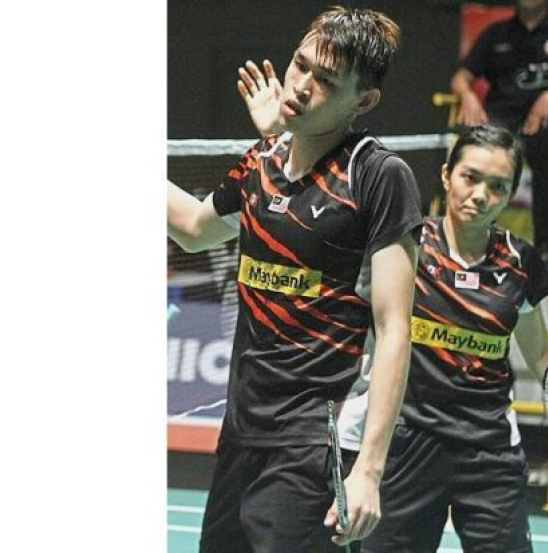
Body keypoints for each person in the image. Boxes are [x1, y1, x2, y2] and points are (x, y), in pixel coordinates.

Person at [237, 67, 548, 552]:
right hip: (406, 444)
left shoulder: (519, 262)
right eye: (470, 178)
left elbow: (544, 361)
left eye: (497, 186)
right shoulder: (406, 244)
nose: (480, 195)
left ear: (510, 194)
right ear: (446, 176)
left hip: (487, 451)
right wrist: (279, 133)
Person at [167, 7, 423, 552]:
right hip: (242, 432)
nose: (302, 85)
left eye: (326, 80)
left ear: (364, 101)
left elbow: (395, 329)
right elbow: (193, 228)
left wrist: (369, 469)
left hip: (315, 439)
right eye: (300, 65)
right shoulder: (262, 161)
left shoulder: (377, 176)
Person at [451, 0, 548, 265]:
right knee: (478, 148)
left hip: (546, 122)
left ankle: (544, 246)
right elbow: (461, 77)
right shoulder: (496, 33)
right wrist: (468, 96)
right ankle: (476, 238)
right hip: (500, 121)